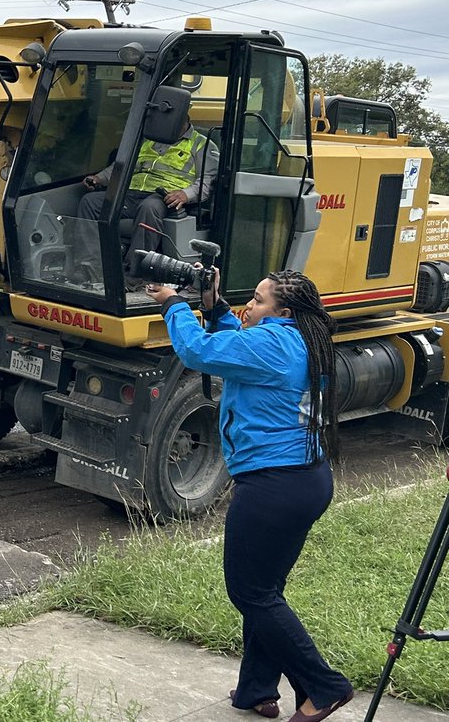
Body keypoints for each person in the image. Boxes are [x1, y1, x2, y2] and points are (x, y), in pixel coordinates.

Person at [147, 269, 354, 722]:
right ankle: (257, 691)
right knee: (266, 590)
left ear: (282, 311)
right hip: (304, 480)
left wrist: (171, 304)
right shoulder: (297, 338)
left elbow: (197, 350)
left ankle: (323, 686)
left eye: (258, 301)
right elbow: (237, 348)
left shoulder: (273, 344)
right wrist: (216, 308)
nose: (250, 307)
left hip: (273, 485)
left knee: (249, 592)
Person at [74, 118, 217, 289]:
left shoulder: (203, 144)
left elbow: (207, 182)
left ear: (183, 120)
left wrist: (185, 195)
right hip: (131, 193)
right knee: (90, 202)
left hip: (165, 198)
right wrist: (99, 178)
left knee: (149, 208)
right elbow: (121, 167)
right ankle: (91, 270)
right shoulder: (148, 140)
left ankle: (135, 275)